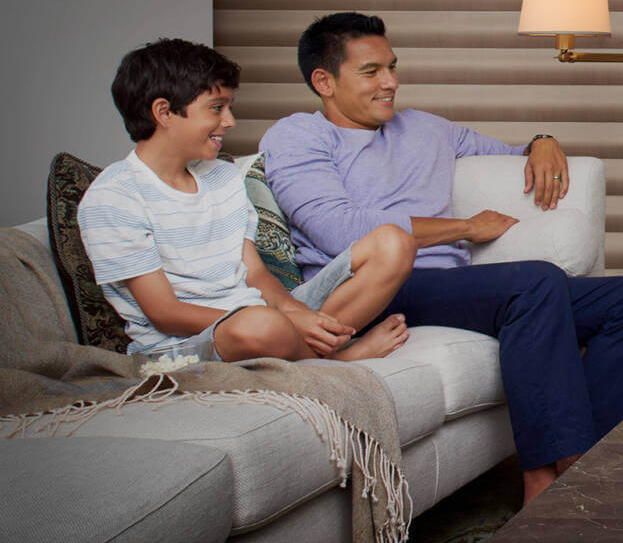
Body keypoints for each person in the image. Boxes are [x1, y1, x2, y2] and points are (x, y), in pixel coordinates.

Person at [260, 13, 623, 503]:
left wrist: (543, 142)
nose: (390, 82)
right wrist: (465, 228)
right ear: (323, 82)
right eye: (371, 72)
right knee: (535, 282)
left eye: (392, 67)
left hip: (445, 289)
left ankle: (590, 469)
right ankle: (544, 483)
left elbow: (510, 152)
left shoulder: (426, 128)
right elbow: (337, 229)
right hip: (370, 288)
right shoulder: (297, 136)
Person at [78, 38, 413, 365]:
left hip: (262, 313)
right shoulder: (114, 197)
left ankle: (307, 348)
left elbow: (255, 273)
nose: (230, 121)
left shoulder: (222, 176)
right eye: (216, 108)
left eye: (229, 107)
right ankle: (338, 360)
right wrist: (282, 320)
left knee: (394, 242)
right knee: (259, 325)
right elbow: (165, 314)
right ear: (164, 112)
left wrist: (293, 312)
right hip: (189, 341)